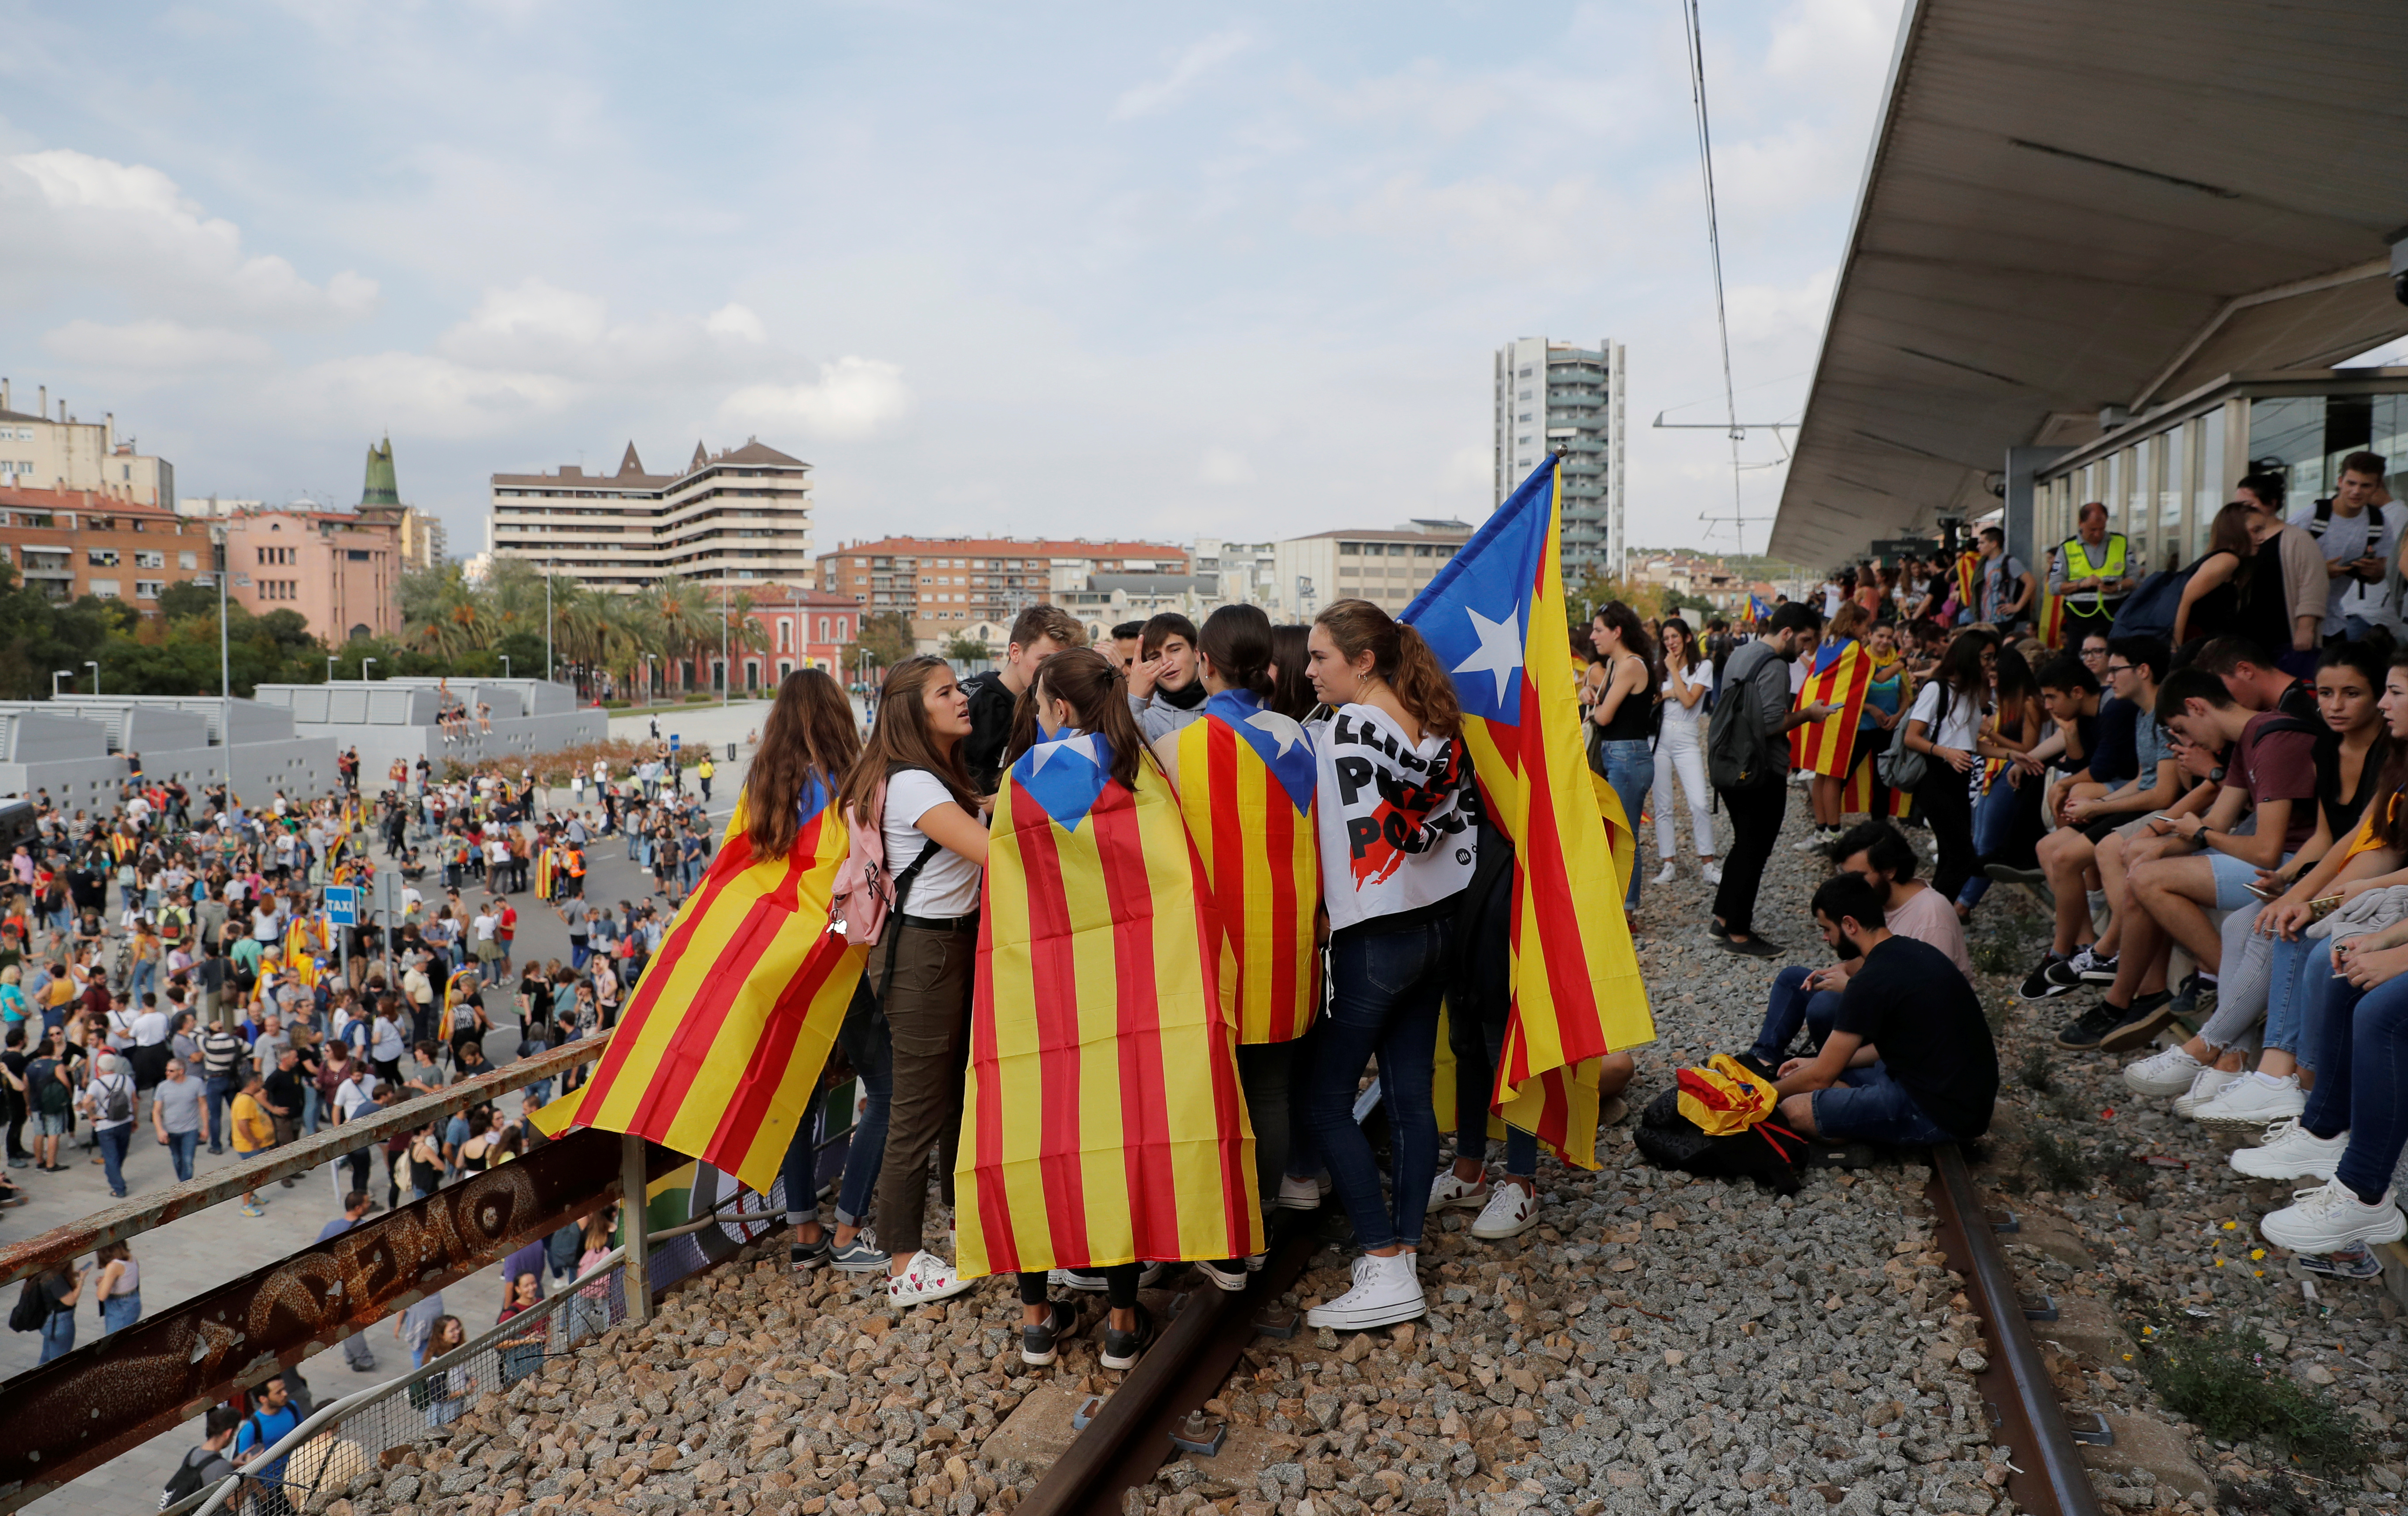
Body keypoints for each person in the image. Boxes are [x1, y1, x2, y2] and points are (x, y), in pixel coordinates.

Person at [972, 645, 1257, 1368]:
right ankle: (1124, 1321)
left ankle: (1038, 1317)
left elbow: (1008, 898)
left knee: (1035, 1138)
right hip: (1134, 993)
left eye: (1040, 703)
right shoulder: (1140, 774)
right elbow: (1177, 889)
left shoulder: (1020, 785)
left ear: (1059, 709)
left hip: (1041, 994)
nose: (1036, 713)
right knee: (1124, 1133)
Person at [1298, 599, 1476, 1331]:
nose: (1309, 671)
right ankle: (1401, 1255)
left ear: (1362, 660)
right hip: (1437, 928)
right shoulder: (1435, 724)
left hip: (1373, 937)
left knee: (1322, 1095)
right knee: (1409, 1095)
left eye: (1320, 657)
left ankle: (1381, 1251)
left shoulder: (1343, 731)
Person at [842, 656, 990, 1307]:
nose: (963, 699)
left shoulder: (928, 778)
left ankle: (961, 1225)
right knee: (915, 1110)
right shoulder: (914, 786)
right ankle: (903, 1263)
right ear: (913, 711)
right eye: (947, 692)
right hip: (927, 956)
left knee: (952, 1096)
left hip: (943, 948)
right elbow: (997, 853)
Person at [1771, 874, 1997, 1146]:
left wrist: (1763, 1095)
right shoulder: (1913, 950)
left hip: (1938, 1113)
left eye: (1827, 929)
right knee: (1809, 1080)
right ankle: (1853, 1119)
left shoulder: (1870, 981)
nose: (1825, 938)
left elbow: (1821, 1076)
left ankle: (1860, 1130)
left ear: (1849, 925)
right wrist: (1815, 1064)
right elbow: (1833, 1067)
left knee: (1794, 1110)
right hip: (1945, 1092)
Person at [1743, 820, 1972, 1072]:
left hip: (1909, 1033)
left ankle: (1833, 1072)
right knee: (1793, 980)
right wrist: (1841, 970)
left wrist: (1852, 988)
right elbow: (1873, 962)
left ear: (1890, 871)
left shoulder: (1931, 919)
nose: (1850, 886)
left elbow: (1921, 1015)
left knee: (1824, 1006)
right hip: (1876, 999)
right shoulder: (1880, 901)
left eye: (1858, 877)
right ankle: (1762, 1059)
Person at [1707, 602, 1834, 956]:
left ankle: (1722, 919)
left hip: (1730, 764)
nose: (1806, 649)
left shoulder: (1741, 653)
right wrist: (1809, 714)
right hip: (1761, 771)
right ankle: (1739, 934)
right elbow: (1768, 725)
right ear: (1788, 633)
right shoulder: (1776, 665)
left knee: (1743, 844)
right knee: (1754, 851)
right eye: (1806, 640)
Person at [1900, 631, 1995, 906]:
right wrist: (1947, 753)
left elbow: (1970, 744)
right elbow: (1912, 737)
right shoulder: (1937, 688)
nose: (1990, 663)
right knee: (1961, 858)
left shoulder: (1971, 693)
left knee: (1953, 855)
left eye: (1992, 658)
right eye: (1986, 657)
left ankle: (1931, 921)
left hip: (1959, 778)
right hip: (1935, 778)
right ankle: (1933, 921)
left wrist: (2014, 754)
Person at [961, 604, 1082, 795]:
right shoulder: (970, 702)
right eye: (1045, 660)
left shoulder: (1066, 706)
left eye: (1062, 663)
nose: (1054, 672)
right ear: (1015, 652)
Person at [1587, 602, 1657, 924]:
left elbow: (1604, 716)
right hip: (1622, 754)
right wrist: (1592, 687)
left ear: (1617, 632)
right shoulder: (1618, 665)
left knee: (1625, 836)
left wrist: (1594, 699)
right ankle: (1620, 908)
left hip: (1628, 756)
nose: (1593, 636)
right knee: (1615, 833)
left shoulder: (1629, 666)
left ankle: (1626, 913)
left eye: (1599, 630)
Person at [2290, 450, 2397, 643]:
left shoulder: (2378, 523)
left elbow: (2378, 576)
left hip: (2334, 623)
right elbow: (2276, 566)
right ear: (2340, 482)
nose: (2356, 492)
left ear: (2377, 488)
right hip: (2293, 622)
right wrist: (2320, 572)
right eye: (2351, 483)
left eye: (2366, 486)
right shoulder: (2310, 517)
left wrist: (2374, 572)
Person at [1650, 616, 1720, 886]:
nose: (1671, 643)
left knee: (1699, 802)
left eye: (1675, 637)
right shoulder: (1660, 669)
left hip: (1688, 737)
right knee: (1663, 805)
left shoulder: (1703, 666)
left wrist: (1671, 686)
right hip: (1660, 737)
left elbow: (1691, 701)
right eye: (1666, 639)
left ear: (1687, 638)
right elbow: (1656, 698)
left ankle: (1709, 864)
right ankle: (1668, 863)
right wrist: (1670, 683)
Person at [2048, 501, 2133, 643]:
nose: (2098, 534)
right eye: (2093, 529)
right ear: (2081, 523)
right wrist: (2081, 585)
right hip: (2080, 619)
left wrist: (2118, 587)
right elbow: (2054, 587)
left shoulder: (2121, 542)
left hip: (2115, 615)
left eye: (2102, 529)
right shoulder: (2067, 548)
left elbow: (2135, 578)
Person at [1126, 611, 1210, 743]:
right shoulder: (1144, 720)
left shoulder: (1223, 708)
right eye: (1155, 657)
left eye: (1175, 650)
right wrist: (1134, 701)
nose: (1166, 661)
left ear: (1196, 652)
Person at [231, 1372, 306, 1507]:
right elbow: (246, 1469)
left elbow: (306, 1435)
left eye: (284, 1389)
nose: (285, 1394)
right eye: (279, 1392)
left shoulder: (292, 1408)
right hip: (271, 1489)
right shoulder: (251, 1429)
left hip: (297, 1479)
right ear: (263, 1399)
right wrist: (264, 1496)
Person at [80, 1049, 136, 1198]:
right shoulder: (126, 1080)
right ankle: (115, 1175)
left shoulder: (96, 1084)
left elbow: (86, 1102)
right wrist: (135, 1119)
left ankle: (118, 1188)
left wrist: (92, 1116)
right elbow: (134, 1101)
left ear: (98, 1068)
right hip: (125, 1121)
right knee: (121, 1153)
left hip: (105, 1125)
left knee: (111, 1156)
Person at [151, 1056, 206, 1182]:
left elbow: (203, 1106)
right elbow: (156, 1111)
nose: (167, 1073)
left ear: (181, 1071)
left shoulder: (196, 1083)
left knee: (188, 1161)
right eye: (167, 1070)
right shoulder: (162, 1087)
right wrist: (160, 1130)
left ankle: (185, 1189)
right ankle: (183, 1185)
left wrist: (205, 1129)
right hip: (171, 1130)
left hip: (191, 1130)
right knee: (177, 1159)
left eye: (171, 1071)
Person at [1974, 525, 2035, 633]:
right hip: (1985, 619)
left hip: (2002, 618)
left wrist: (2017, 607)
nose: (1978, 547)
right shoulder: (1982, 564)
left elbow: (2031, 583)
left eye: (1982, 543)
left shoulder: (2009, 562)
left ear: (1994, 544)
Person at [230, 1071, 275, 1216]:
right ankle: (246, 1206)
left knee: (255, 1174)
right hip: (250, 1147)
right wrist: (253, 1141)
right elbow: (243, 1125)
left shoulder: (249, 1098)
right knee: (251, 1175)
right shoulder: (244, 1101)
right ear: (253, 1083)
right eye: (260, 1081)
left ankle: (252, 1196)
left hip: (254, 1145)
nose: (262, 1084)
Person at [30, 1259, 84, 1363]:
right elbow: (70, 1301)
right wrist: (82, 1279)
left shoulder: (46, 1273)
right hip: (59, 1323)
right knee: (58, 1361)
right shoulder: (56, 1279)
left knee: (46, 1356)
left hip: (49, 1320)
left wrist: (74, 1274)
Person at [92, 1239, 140, 1335]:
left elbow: (101, 1296)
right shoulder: (131, 1257)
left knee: (113, 1340)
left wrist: (102, 1283)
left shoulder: (114, 1266)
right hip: (133, 1300)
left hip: (119, 1306)